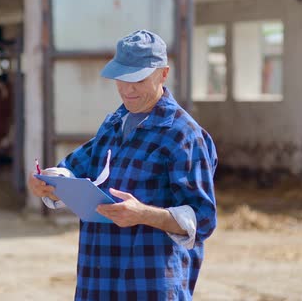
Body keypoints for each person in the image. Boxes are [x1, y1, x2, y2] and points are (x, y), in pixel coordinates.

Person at [28, 30, 218, 300]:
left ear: (163, 74)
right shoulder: (114, 124)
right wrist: (47, 182)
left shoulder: (183, 135)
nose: (128, 89)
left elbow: (204, 220)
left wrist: (144, 214)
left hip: (149, 283)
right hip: (98, 279)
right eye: (122, 78)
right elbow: (71, 168)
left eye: (138, 79)